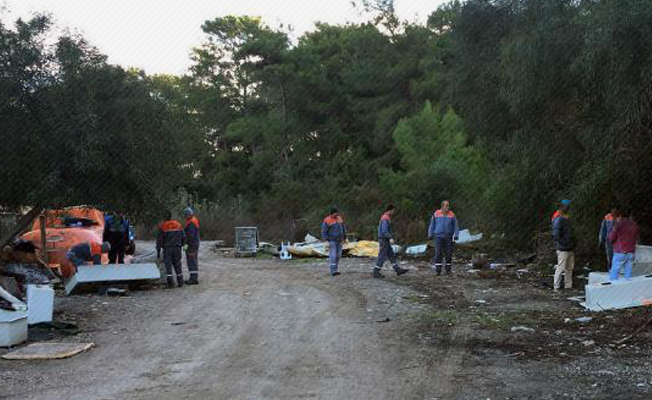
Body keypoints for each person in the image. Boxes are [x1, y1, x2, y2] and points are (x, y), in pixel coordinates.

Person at [373, 205, 409, 279]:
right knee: (382, 255)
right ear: (390, 210)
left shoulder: (385, 217)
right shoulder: (385, 218)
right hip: (384, 239)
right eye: (393, 210)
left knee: (391, 254)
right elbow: (384, 230)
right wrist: (390, 238)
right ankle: (376, 272)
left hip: (384, 239)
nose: (393, 212)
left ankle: (397, 270)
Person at [428, 200, 459, 276]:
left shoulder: (452, 215)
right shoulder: (436, 214)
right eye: (445, 205)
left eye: (448, 205)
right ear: (442, 206)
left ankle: (448, 270)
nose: (447, 207)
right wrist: (430, 233)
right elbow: (432, 224)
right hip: (438, 237)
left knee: (448, 253)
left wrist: (456, 235)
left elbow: (456, 225)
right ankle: (438, 270)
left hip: (448, 237)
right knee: (438, 253)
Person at [156, 211, 186, 288]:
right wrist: (184, 245)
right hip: (177, 248)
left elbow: (159, 240)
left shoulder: (163, 226)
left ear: (164, 218)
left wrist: (158, 251)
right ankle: (180, 282)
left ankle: (171, 283)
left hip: (167, 248)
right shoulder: (178, 224)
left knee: (168, 266)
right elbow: (183, 237)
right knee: (177, 264)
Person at [609, 210, 640, 281]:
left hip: (620, 252)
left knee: (614, 274)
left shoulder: (619, 224)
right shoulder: (634, 225)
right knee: (628, 276)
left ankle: (613, 290)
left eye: (616, 217)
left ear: (620, 216)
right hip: (631, 252)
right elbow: (636, 238)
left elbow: (611, 238)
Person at [552, 203, 574, 291]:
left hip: (569, 247)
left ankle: (568, 285)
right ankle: (556, 286)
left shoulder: (567, 220)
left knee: (569, 268)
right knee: (561, 268)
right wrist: (564, 243)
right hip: (563, 248)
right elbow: (556, 235)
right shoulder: (559, 220)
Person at [321, 207, 346, 276]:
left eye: (337, 213)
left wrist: (345, 237)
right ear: (332, 214)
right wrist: (325, 240)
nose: (337, 215)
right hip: (332, 240)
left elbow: (343, 228)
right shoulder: (327, 220)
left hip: (339, 240)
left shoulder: (339, 218)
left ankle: (336, 269)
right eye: (335, 213)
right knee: (333, 255)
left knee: (339, 255)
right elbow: (324, 231)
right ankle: (333, 271)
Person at [183, 207, 200, 285]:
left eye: (185, 215)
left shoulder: (191, 223)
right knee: (193, 261)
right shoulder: (193, 220)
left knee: (191, 261)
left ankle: (193, 279)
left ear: (189, 215)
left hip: (191, 245)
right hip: (194, 244)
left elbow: (190, 236)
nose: (185, 217)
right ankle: (194, 278)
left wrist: (186, 244)